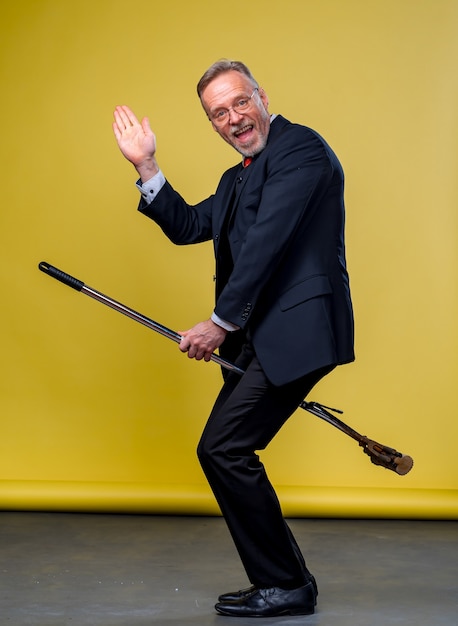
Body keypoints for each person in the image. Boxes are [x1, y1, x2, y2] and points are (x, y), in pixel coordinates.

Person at [112, 59, 354, 618]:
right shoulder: (237, 176)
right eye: (218, 113)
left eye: (239, 102)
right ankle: (286, 581)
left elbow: (269, 240)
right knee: (224, 449)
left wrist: (219, 323)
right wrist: (147, 166)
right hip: (262, 340)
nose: (233, 118)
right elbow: (191, 226)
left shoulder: (301, 151)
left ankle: (287, 585)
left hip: (296, 331)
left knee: (223, 448)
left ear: (261, 96)